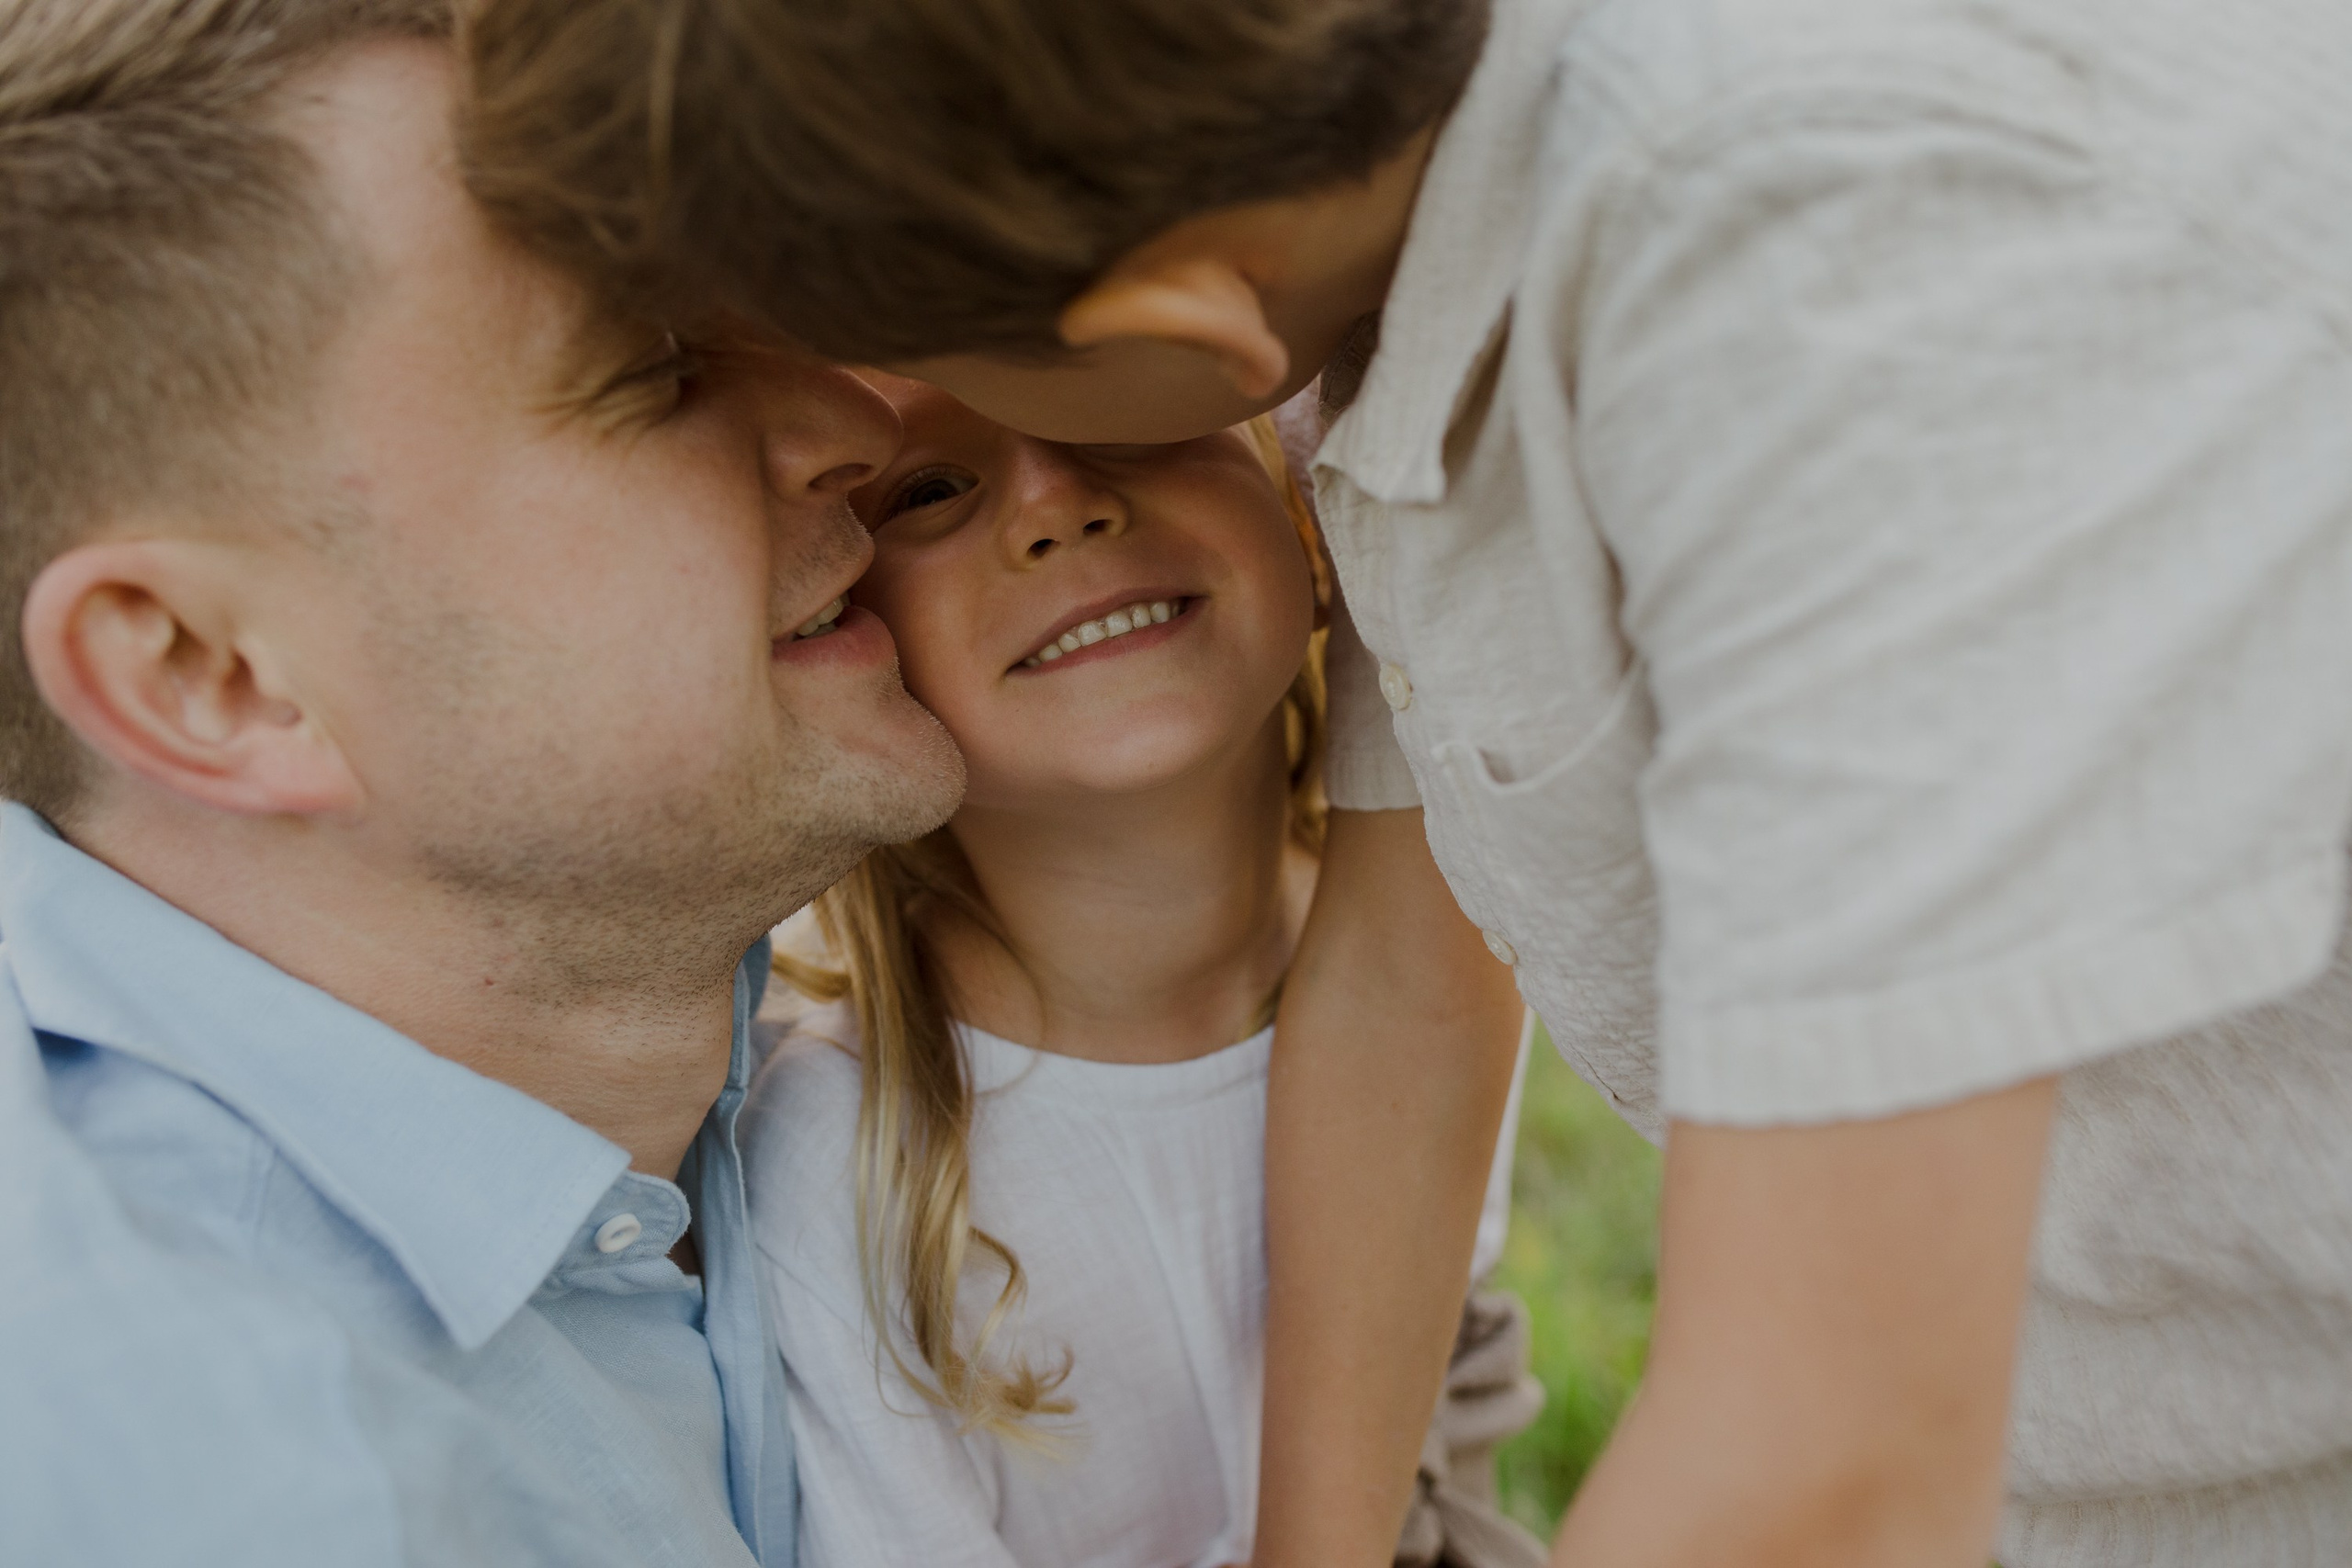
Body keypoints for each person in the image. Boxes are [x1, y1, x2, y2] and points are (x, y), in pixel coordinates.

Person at [462, 0, 2352, 1564]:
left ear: (1186, 343)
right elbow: (1407, 947)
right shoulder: (1334, 199)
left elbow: (1832, 1456)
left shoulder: (1825, 287)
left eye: (926, 374)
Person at [0, 4, 964, 1563]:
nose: (855, 423)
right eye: (650, 368)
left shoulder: (653, 1059)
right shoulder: (221, 1488)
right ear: (212, 676)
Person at [742, 381, 1538, 1568]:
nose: (1058, 505)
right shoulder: (839, 1161)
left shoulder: (1441, 950)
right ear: (857, 648)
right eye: (932, 489)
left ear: (1315, 526)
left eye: (1135, 417)